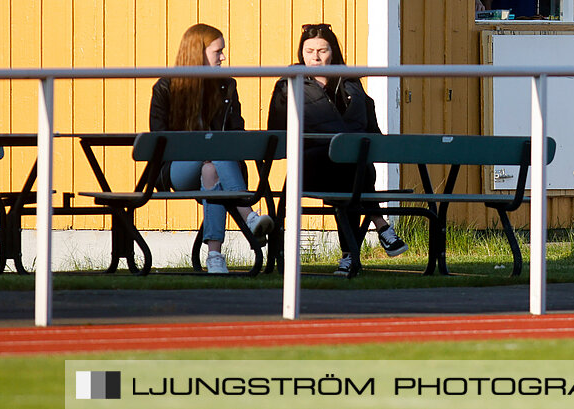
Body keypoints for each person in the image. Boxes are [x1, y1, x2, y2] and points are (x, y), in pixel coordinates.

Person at [268, 23, 408, 273]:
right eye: (309, 50)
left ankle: (351, 255)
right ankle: (378, 227)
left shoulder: (351, 82)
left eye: (322, 50)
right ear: (300, 52)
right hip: (311, 167)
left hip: (352, 168)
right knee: (351, 169)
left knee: (352, 167)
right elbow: (277, 131)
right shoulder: (290, 83)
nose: (315, 57)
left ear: (333, 52)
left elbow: (371, 129)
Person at [148, 23, 273, 275]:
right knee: (215, 148)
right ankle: (249, 217)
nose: (223, 57)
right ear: (198, 52)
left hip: (219, 170)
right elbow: (159, 140)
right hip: (178, 170)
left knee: (211, 169)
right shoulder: (166, 87)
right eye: (218, 51)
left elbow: (237, 132)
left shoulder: (226, 85)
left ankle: (214, 255)